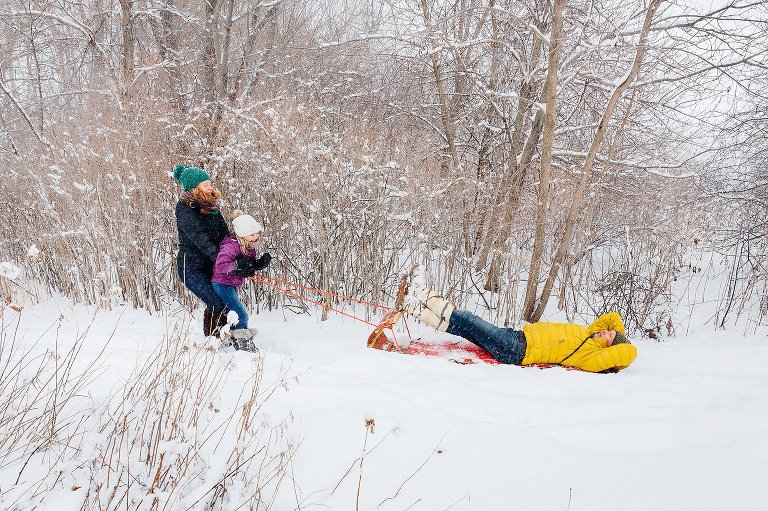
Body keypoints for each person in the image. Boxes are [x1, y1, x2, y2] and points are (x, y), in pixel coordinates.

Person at [406, 284, 637, 373]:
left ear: (610, 348)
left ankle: (421, 293)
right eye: (610, 331)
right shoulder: (590, 334)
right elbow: (613, 317)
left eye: (610, 336)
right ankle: (414, 307)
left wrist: (622, 344)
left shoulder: (592, 357)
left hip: (517, 350)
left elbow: (627, 353)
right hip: (518, 337)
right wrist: (617, 334)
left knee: (467, 319)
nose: (607, 331)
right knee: (464, 329)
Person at [173, 164, 230, 337]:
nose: (210, 187)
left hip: (211, 265)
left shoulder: (211, 207)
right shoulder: (184, 209)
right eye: (206, 185)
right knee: (215, 300)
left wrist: (238, 255)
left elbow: (225, 235)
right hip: (190, 268)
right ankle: (212, 342)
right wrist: (221, 259)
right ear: (194, 188)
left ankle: (224, 338)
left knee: (225, 300)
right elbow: (199, 237)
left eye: (210, 183)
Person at [211, 210, 272, 351]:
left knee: (233, 313)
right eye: (252, 235)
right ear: (241, 235)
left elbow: (247, 265)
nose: (256, 237)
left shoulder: (248, 247)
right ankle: (243, 345)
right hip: (221, 283)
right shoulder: (231, 247)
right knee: (241, 314)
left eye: (257, 233)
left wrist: (257, 264)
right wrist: (237, 265)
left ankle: (231, 339)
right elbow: (220, 266)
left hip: (230, 283)